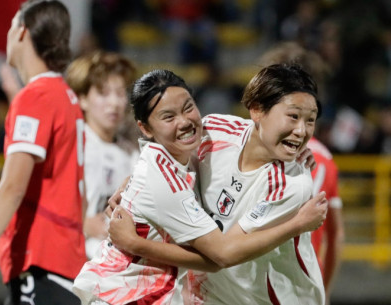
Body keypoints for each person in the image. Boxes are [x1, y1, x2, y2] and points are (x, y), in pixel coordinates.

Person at [74, 67, 327, 305]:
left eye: (310, 120)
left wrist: (135, 235)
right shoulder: (216, 132)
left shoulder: (292, 184)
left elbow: (224, 252)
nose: (301, 130)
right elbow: (167, 171)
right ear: (257, 110)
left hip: (269, 299)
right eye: (293, 117)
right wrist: (134, 187)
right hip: (206, 294)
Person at [0, 1, 86, 304]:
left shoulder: (37, 97)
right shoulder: (63, 95)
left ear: (23, 32)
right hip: (63, 262)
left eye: (13, 23)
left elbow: (13, 186)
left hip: (40, 261)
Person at [258, 41, 344, 304]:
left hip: (262, 284)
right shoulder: (326, 160)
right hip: (301, 287)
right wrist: (324, 293)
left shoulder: (264, 150)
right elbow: (336, 234)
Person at [65, 51, 139, 260]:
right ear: (82, 99)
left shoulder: (133, 153)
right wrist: (81, 223)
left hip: (120, 261)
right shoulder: (72, 146)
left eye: (120, 93)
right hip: (77, 260)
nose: (114, 103)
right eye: (104, 93)